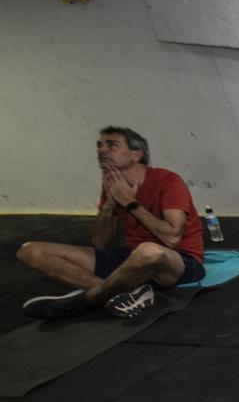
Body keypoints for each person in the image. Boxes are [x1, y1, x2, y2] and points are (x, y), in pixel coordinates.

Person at [18, 126, 206, 320]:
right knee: (31, 251)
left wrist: (130, 203)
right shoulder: (113, 185)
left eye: (112, 145)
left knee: (149, 250)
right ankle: (116, 293)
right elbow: (100, 243)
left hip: (179, 261)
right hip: (133, 257)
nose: (101, 150)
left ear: (136, 154)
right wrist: (109, 206)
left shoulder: (167, 180)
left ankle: (87, 299)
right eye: (99, 145)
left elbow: (172, 238)